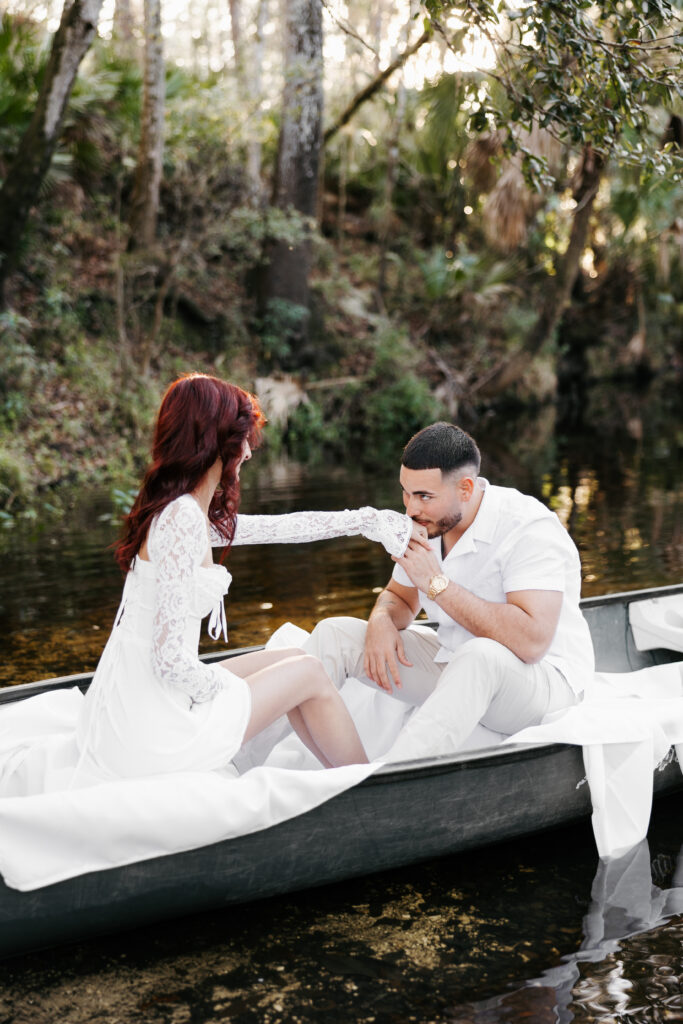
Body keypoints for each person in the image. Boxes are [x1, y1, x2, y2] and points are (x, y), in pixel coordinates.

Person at [73, 373, 426, 783]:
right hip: (151, 718)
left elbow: (284, 528)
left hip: (148, 688)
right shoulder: (182, 519)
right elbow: (168, 659)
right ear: (217, 441)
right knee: (310, 674)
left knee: (298, 659)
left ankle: (339, 778)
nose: (248, 452)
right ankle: (372, 786)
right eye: (242, 439)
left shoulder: (183, 511)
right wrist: (224, 697)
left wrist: (366, 521)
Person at [304, 421, 595, 761]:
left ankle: (386, 782)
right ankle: (236, 759)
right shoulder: (429, 520)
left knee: (480, 656)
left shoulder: (528, 527)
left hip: (544, 683)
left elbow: (532, 642)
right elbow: (398, 597)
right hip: (458, 663)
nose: (411, 509)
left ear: (466, 489)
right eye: (406, 492)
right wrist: (382, 619)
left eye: (424, 496)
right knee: (334, 634)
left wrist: (437, 585)